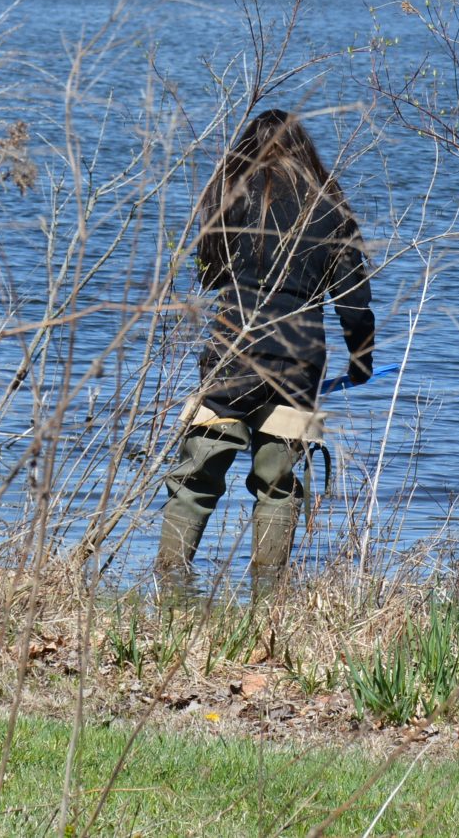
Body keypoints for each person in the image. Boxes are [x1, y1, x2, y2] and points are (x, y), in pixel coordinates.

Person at [159, 109, 375, 597]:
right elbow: (355, 302)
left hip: (231, 361)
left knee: (194, 481)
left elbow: (210, 275)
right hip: (298, 367)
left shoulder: (227, 196)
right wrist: (360, 363)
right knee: (278, 487)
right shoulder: (329, 206)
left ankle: (169, 588)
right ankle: (267, 599)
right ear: (304, 149)